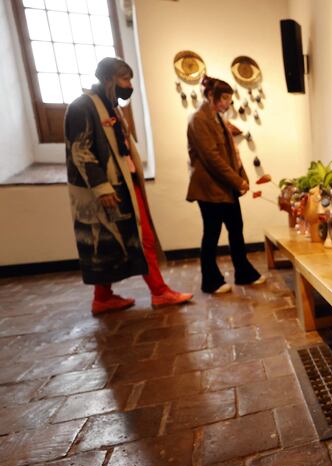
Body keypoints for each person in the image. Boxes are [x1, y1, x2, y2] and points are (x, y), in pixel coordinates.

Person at [65, 57, 193, 315]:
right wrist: (102, 187)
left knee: (119, 241)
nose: (129, 85)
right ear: (109, 80)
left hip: (124, 183)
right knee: (118, 240)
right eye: (125, 79)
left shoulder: (112, 107)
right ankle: (159, 292)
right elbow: (81, 151)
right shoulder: (82, 107)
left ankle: (102, 298)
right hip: (107, 189)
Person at [186, 75, 265, 294]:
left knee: (236, 229)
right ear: (211, 95)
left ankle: (243, 272)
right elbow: (212, 158)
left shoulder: (217, 117)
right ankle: (210, 280)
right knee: (211, 234)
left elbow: (230, 153)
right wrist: (237, 180)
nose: (227, 103)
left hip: (224, 187)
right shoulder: (199, 119)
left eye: (229, 99)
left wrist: (241, 180)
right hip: (209, 188)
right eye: (224, 98)